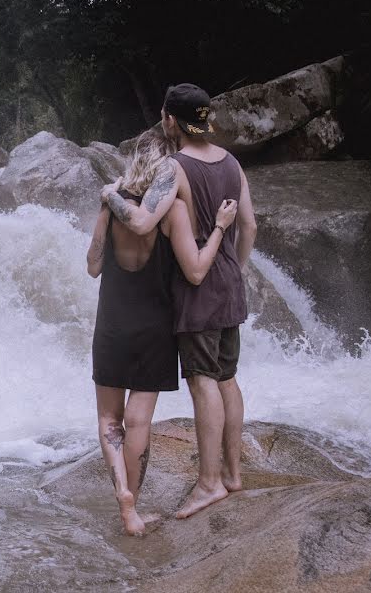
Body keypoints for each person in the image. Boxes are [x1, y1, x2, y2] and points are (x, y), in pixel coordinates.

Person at [101, 83, 257, 520]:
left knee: (203, 380)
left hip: (200, 288)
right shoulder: (232, 162)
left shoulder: (175, 167)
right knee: (228, 377)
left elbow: (146, 218)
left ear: (170, 119)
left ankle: (209, 485)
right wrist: (235, 271)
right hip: (228, 282)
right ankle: (232, 473)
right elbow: (250, 224)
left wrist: (110, 195)